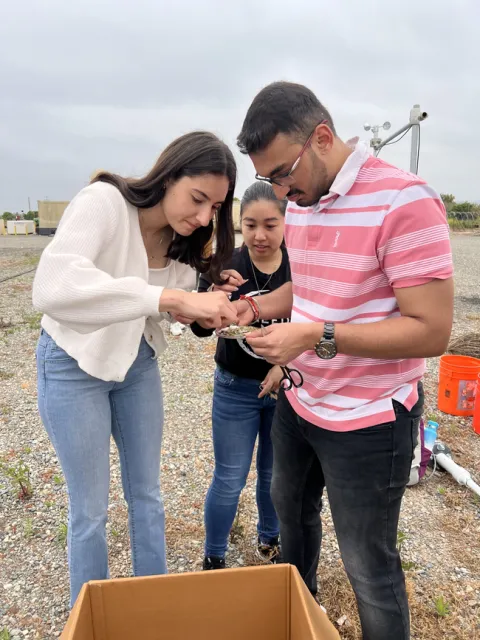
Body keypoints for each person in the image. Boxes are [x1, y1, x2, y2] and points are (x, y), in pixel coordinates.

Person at [235, 82, 454, 640]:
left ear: (322, 139)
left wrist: (313, 335)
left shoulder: (405, 200)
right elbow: (307, 293)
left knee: (369, 567)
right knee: (293, 521)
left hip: (370, 420)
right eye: (269, 180)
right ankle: (297, 618)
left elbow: (431, 331)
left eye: (283, 173)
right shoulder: (303, 201)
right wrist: (255, 307)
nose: (280, 190)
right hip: (300, 401)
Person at [32, 131, 238, 607]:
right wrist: (167, 297)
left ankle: (154, 610)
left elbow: (172, 308)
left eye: (215, 207)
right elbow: (52, 286)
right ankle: (92, 617)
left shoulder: (184, 241)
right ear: (168, 175)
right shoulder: (104, 202)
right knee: (89, 510)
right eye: (197, 198)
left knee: (147, 495)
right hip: (71, 362)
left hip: (136, 364)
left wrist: (206, 304)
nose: (204, 216)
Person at [189, 182, 291, 570]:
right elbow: (199, 329)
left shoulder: (297, 265)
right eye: (250, 225)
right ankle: (214, 554)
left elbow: (312, 324)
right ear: (239, 224)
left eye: (270, 224)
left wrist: (284, 366)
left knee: (273, 475)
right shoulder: (225, 262)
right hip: (234, 386)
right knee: (230, 478)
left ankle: (270, 540)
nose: (259, 235)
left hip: (284, 390)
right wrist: (208, 299)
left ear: (285, 223)